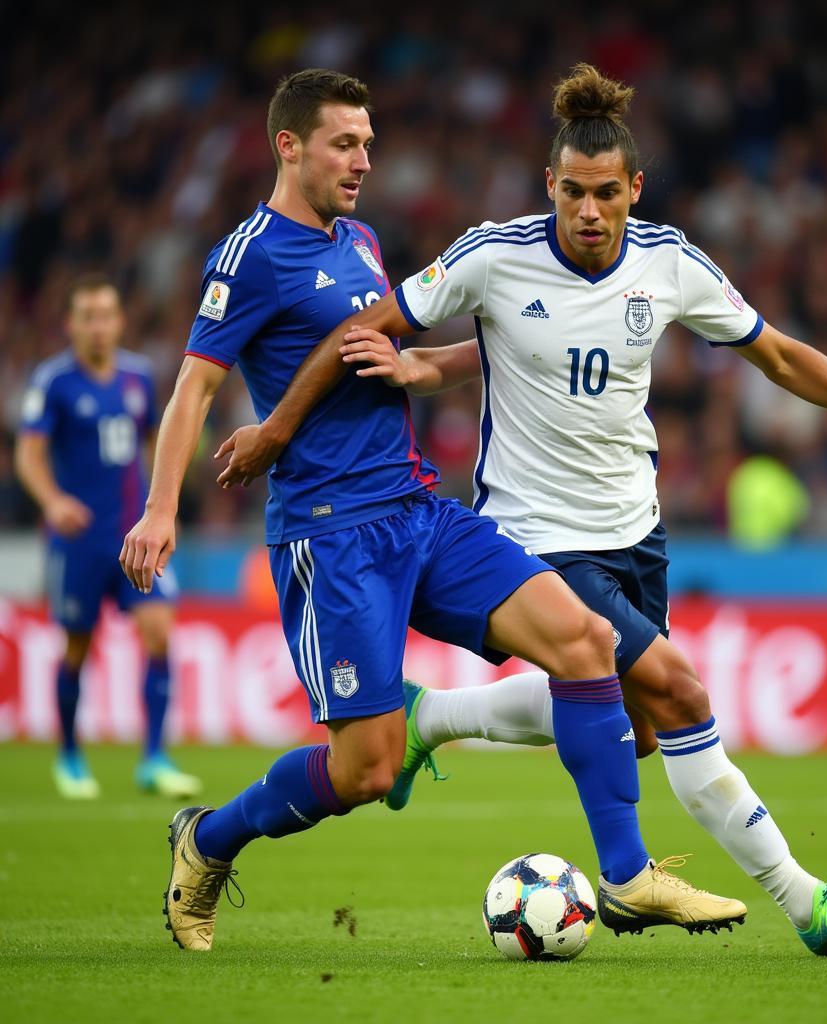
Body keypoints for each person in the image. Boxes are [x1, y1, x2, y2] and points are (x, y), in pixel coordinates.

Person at [216, 64, 827, 958]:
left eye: (606, 194)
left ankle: (434, 720)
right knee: (681, 689)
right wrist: (299, 419)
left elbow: (779, 357)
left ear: (634, 191)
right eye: (572, 191)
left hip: (635, 532)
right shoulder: (492, 254)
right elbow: (374, 331)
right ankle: (807, 904)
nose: (587, 210)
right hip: (539, 537)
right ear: (550, 186)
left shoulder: (670, 263)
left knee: (639, 726)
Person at [120, 68, 745, 953]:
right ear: (287, 146)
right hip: (330, 536)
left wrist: (445, 363)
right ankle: (208, 838)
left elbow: (433, 347)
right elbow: (193, 385)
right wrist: (159, 509)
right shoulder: (250, 254)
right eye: (345, 142)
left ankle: (627, 876)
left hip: (417, 510)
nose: (364, 160)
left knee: (585, 641)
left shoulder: (363, 240)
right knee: (366, 769)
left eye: (369, 143)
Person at [15, 273, 200, 801]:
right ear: (71, 324)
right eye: (88, 316)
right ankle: (70, 756)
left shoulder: (138, 377)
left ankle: (155, 759)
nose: (99, 327)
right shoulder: (53, 382)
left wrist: (163, 508)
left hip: (134, 535)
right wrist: (53, 502)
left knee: (160, 632)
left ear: (120, 321)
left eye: (107, 316)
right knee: (77, 646)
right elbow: (28, 453)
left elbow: (153, 446)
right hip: (79, 541)